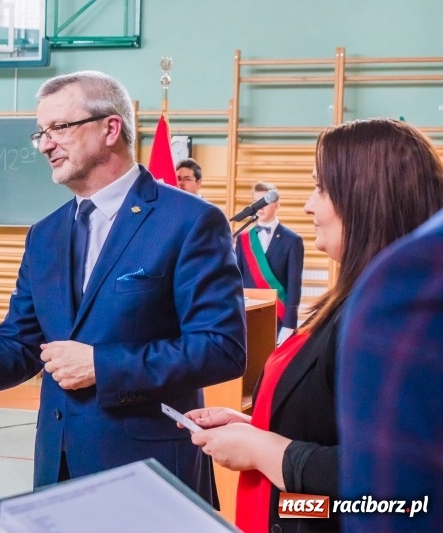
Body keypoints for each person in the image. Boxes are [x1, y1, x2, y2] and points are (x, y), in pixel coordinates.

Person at [0, 70, 247, 504]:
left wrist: (102, 365)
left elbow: (221, 348)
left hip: (148, 474)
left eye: (59, 128)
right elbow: (21, 345)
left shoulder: (190, 221)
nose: (45, 144)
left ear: (110, 129)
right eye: (41, 132)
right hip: (58, 470)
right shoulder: (44, 235)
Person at [185, 118, 443, 533]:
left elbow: (397, 496)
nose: (308, 206)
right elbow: (333, 432)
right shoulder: (353, 300)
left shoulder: (395, 321)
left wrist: (267, 451)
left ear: (364, 198)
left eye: (320, 189)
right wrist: (257, 428)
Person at [338, 212, 443, 532]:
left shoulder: (405, 289)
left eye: (321, 190)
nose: (308, 208)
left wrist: (274, 454)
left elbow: (392, 506)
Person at [235, 181, 304, 342]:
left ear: (277, 204)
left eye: (264, 202)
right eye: (256, 202)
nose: (260, 207)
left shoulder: (292, 240)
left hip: (278, 317)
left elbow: (294, 286)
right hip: (248, 315)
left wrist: (289, 325)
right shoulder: (243, 239)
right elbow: (237, 280)